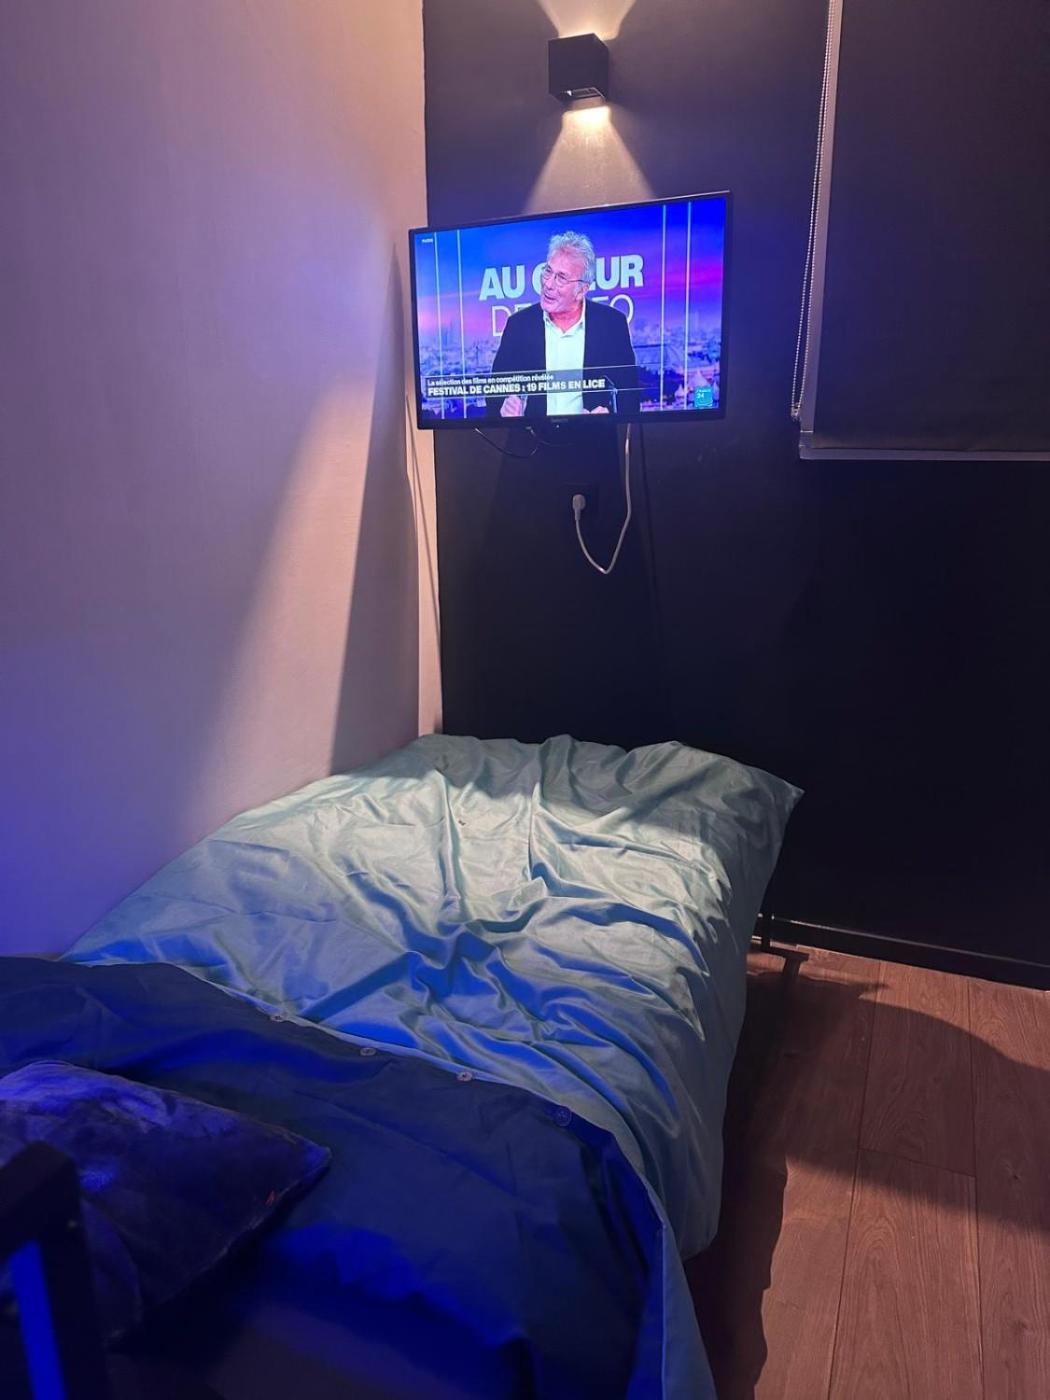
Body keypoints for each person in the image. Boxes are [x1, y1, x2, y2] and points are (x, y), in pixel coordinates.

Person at [488, 231, 639, 418]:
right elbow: (494, 393)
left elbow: (630, 395)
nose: (548, 284)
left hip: (593, 435)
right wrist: (505, 405)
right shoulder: (518, 326)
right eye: (548, 271)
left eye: (561, 278)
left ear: (581, 290)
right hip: (533, 435)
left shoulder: (612, 325)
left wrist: (608, 413)